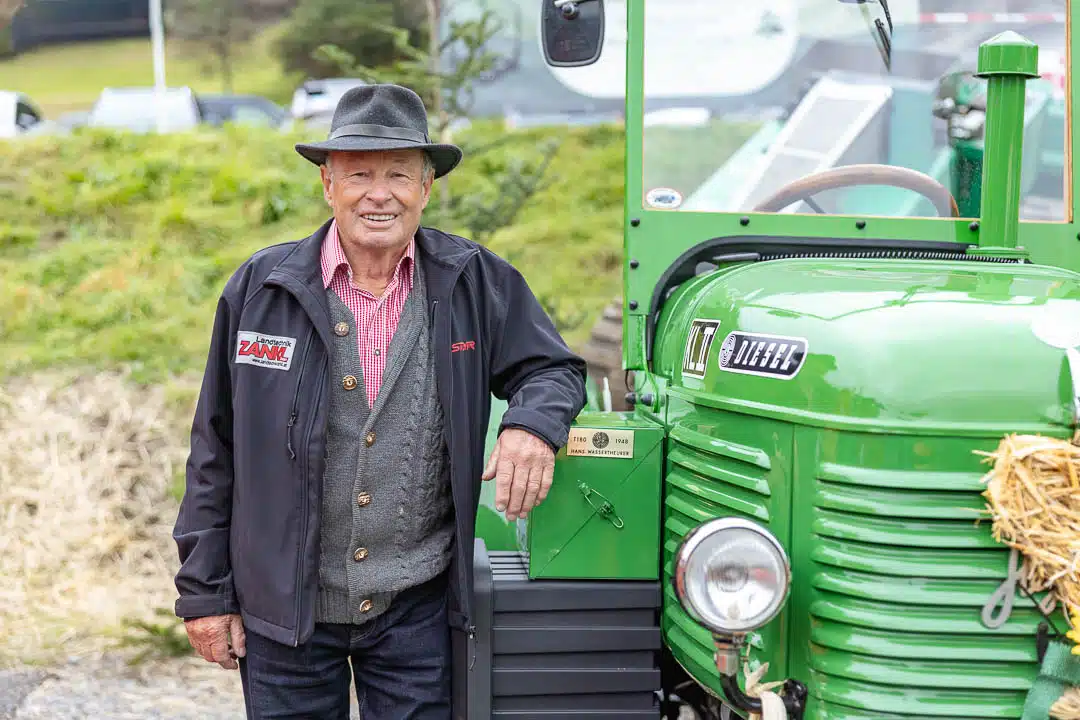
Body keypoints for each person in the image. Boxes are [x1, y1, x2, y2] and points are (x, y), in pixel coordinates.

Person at [172, 83, 587, 719]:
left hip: (415, 611)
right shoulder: (262, 290)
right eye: (359, 174)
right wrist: (204, 594)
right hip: (283, 610)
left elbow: (553, 367)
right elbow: (214, 447)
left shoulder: (473, 279)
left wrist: (530, 426)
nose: (379, 193)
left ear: (426, 187)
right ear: (328, 185)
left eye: (398, 174)